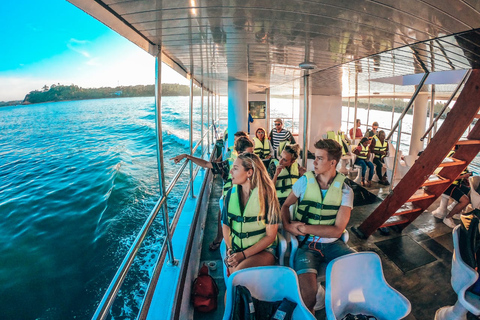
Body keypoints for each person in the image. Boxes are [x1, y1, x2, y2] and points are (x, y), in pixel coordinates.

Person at [281, 139, 355, 313]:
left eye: (319, 158)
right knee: (308, 295)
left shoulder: (345, 190)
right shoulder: (304, 183)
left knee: (361, 269)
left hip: (333, 245)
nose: (314, 162)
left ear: (333, 162)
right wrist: (287, 225)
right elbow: (285, 206)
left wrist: (304, 228)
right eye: (315, 157)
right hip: (306, 246)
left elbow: (337, 230)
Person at [171, 136, 254, 250]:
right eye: (249, 153)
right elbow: (206, 164)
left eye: (252, 153)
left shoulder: (254, 165)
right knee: (223, 213)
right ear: (239, 152)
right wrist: (187, 156)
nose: (252, 156)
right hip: (231, 196)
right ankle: (220, 238)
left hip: (249, 195)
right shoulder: (228, 164)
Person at [222, 152, 280, 274]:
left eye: (235, 168)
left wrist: (243, 255)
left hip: (264, 252)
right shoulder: (229, 195)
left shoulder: (267, 196)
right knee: (235, 279)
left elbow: (271, 236)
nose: (231, 172)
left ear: (249, 172)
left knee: (238, 275)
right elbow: (226, 225)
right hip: (237, 250)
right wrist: (231, 249)